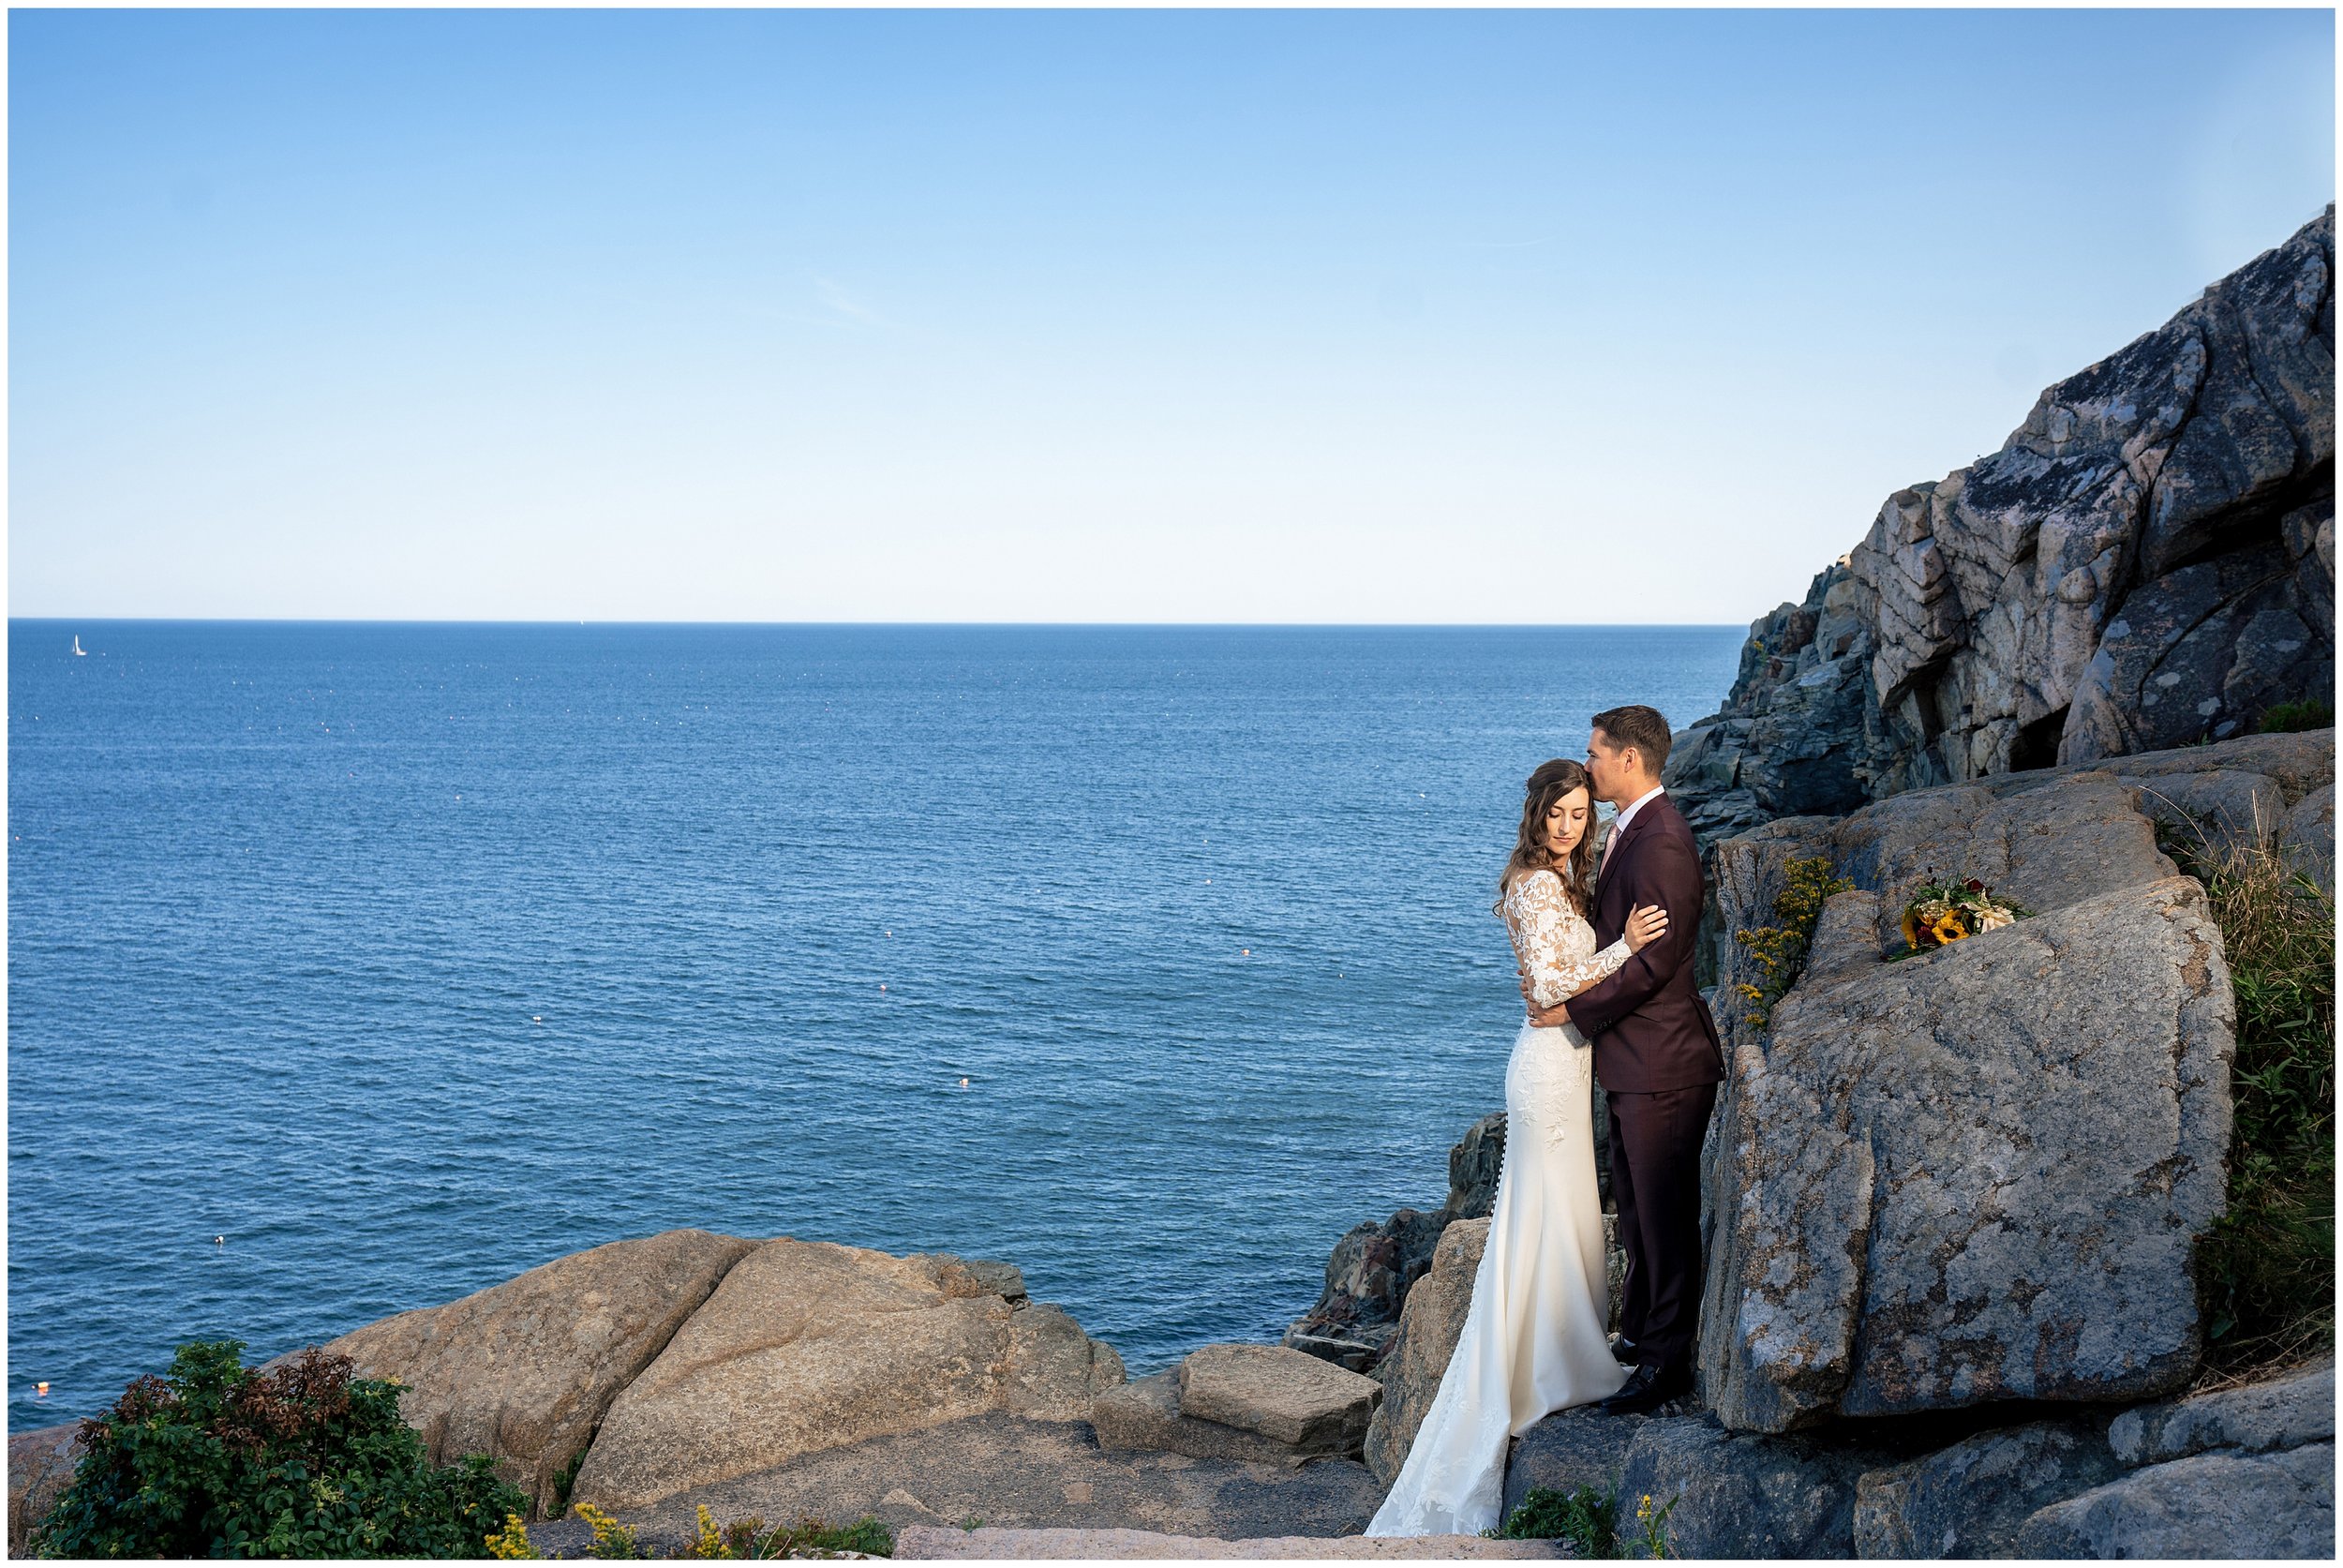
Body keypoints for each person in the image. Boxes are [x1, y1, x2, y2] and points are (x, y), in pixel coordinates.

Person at [1366, 759, 1669, 1537]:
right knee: (1538, 1217)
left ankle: (1560, 1356)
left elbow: (1561, 986)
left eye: (1578, 813)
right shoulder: (1537, 884)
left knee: (1560, 1213)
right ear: (1536, 815)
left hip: (1570, 1063)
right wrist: (1627, 946)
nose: (1568, 825)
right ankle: (1537, 1372)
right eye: (1557, 814)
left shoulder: (1567, 878)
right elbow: (1543, 990)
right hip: (1544, 1070)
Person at [1525, 704, 1724, 1415]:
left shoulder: (1662, 840)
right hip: (1634, 1060)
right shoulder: (1628, 831)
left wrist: (1572, 1013)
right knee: (1638, 1211)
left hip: (1664, 1062)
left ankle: (1666, 1362)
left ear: (1630, 760)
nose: (1588, 765)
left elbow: (1660, 959)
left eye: (1597, 754)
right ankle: (1641, 1336)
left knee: (1665, 1215)